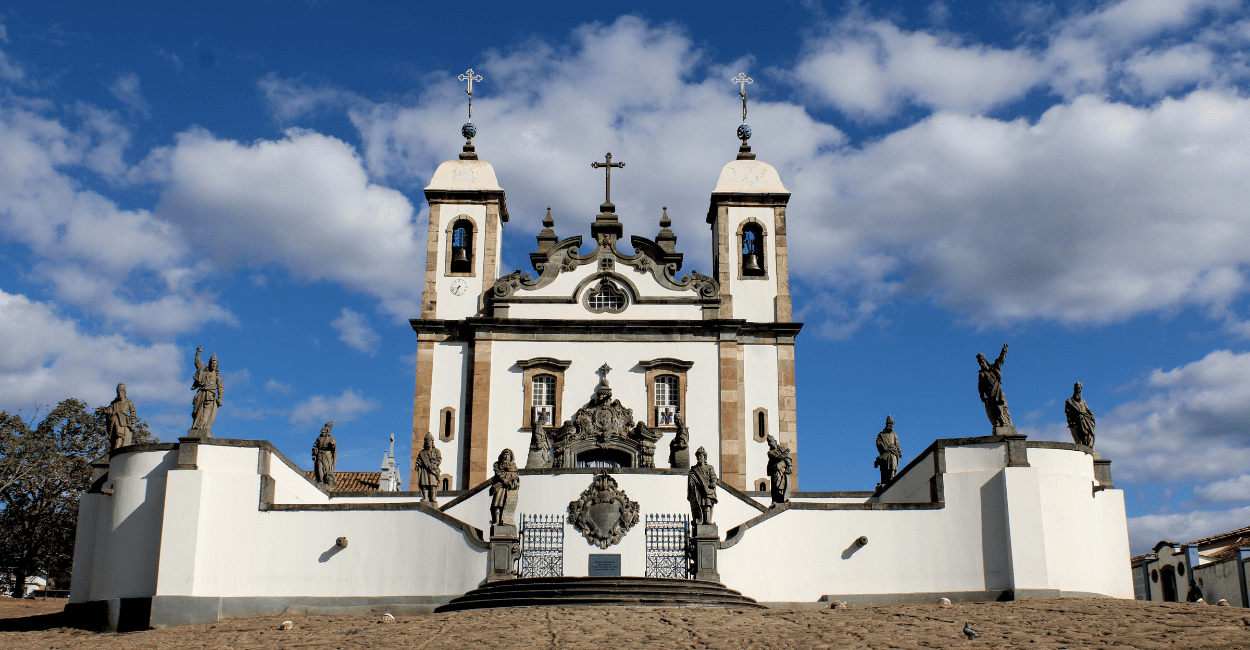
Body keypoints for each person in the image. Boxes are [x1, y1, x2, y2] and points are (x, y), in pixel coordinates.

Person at [976, 344, 1012, 429]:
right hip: (990, 395)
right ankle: (1000, 424)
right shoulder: (982, 374)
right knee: (994, 412)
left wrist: (1004, 350)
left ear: (985, 361)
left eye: (982, 361)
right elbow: (980, 387)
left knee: (1002, 409)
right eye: (979, 362)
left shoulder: (995, 368)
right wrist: (982, 396)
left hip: (998, 392)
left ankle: (1006, 424)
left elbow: (1001, 359)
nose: (981, 364)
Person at [191, 346, 224, 432]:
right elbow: (197, 362)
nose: (213, 365)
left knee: (206, 413)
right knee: (196, 411)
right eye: (212, 363)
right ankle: (195, 426)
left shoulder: (217, 376)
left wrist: (220, 398)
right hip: (201, 393)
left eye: (215, 363)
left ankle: (201, 427)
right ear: (209, 363)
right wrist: (198, 352)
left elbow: (220, 387)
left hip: (210, 396)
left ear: (217, 365)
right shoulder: (204, 370)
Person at [687, 446, 718, 525]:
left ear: (704, 457)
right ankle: (700, 519)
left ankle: (707, 520)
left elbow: (713, 477)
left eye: (700, 456)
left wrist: (713, 483)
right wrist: (693, 484)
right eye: (697, 456)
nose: (699, 458)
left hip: (708, 490)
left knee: (707, 504)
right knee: (700, 504)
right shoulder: (694, 470)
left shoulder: (709, 468)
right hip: (699, 491)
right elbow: (691, 480)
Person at [489, 449, 520, 526]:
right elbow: (499, 474)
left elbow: (515, 476)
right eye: (505, 454)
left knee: (505, 504)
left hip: (509, 490)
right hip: (500, 487)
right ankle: (496, 521)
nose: (506, 456)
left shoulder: (513, 466)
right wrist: (506, 481)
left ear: (511, 457)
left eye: (508, 455)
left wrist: (515, 481)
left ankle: (505, 521)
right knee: (496, 504)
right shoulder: (497, 465)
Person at [104, 383, 138, 450]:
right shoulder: (114, 403)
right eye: (118, 392)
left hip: (123, 422)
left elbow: (133, 413)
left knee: (120, 437)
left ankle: (118, 447)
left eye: (121, 391)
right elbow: (110, 409)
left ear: (124, 392)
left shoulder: (129, 402)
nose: (120, 393)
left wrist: (133, 424)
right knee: (116, 436)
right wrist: (106, 411)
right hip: (114, 423)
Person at [1065, 382, 1097, 448]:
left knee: (1090, 434)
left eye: (1080, 389)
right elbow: (1068, 413)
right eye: (1077, 388)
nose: (1079, 390)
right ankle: (1085, 446)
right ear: (1074, 389)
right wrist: (1071, 422)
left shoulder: (1083, 401)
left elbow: (1088, 410)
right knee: (1082, 433)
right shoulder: (1069, 401)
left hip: (1087, 419)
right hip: (1078, 420)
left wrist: (1092, 415)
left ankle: (1089, 447)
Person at [874, 415, 902, 487]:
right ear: (888, 425)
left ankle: (892, 477)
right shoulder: (881, 434)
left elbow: (897, 443)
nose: (892, 427)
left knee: (893, 464)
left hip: (893, 451)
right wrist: (883, 447)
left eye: (893, 425)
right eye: (891, 425)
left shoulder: (894, 434)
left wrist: (899, 451)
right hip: (885, 452)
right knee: (885, 467)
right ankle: (884, 481)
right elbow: (878, 442)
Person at [415, 433, 442, 504]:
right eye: (427, 441)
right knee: (424, 484)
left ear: (432, 442)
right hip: (424, 470)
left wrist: (435, 464)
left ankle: (433, 498)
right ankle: (425, 498)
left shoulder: (436, 451)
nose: (428, 442)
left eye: (429, 441)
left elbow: (439, 459)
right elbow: (419, 460)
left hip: (432, 470)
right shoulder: (422, 453)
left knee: (433, 484)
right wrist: (418, 464)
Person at [766, 434, 792, 505]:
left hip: (782, 471)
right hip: (775, 471)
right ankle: (776, 500)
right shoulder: (770, 453)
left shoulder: (781, 449)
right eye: (769, 443)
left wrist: (789, 467)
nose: (771, 444)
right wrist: (785, 453)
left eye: (772, 442)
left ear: (775, 442)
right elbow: (778, 457)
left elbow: (787, 458)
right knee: (776, 486)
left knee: (784, 485)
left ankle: (784, 498)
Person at [312, 421, 336, 488]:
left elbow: (333, 448)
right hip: (319, 453)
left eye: (324, 431)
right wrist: (314, 454)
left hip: (327, 454)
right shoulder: (319, 438)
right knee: (319, 467)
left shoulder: (331, 438)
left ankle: (327, 480)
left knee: (327, 468)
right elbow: (315, 446)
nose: (323, 432)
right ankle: (320, 480)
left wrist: (332, 445)